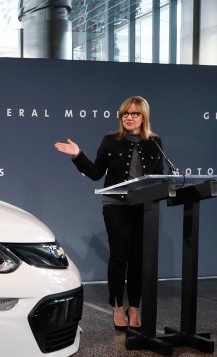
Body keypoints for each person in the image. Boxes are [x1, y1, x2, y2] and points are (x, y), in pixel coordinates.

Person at [54, 96, 166, 331]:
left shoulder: (155, 143)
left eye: (134, 114)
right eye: (125, 114)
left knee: (138, 259)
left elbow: (159, 178)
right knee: (119, 256)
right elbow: (95, 173)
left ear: (143, 117)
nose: (129, 117)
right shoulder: (110, 141)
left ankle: (134, 308)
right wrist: (77, 155)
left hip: (144, 206)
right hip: (116, 205)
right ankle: (117, 307)